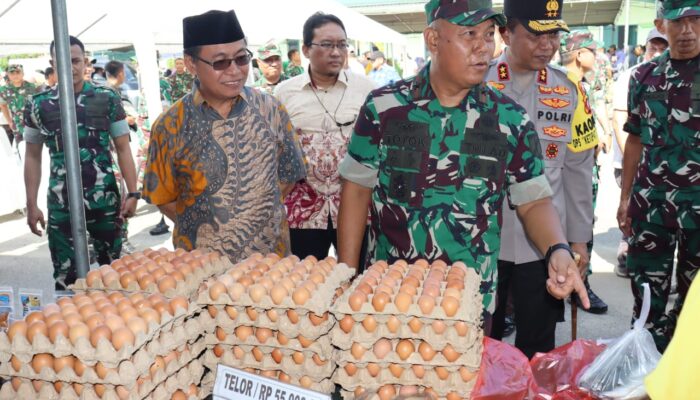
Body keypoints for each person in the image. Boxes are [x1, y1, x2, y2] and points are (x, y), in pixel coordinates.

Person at [338, 0, 589, 339]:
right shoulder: (385, 108)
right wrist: (348, 277)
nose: (483, 47)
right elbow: (356, 191)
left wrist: (557, 248)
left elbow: (533, 200)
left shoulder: (509, 119)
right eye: (469, 33)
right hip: (387, 296)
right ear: (433, 39)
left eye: (488, 35)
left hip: (469, 300)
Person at [142, 10, 306, 262]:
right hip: (200, 269)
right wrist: (210, 230)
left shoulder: (271, 110)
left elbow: (289, 175)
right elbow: (163, 198)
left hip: (271, 268)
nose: (235, 70)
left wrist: (253, 214)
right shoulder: (169, 126)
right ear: (190, 64)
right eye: (220, 62)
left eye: (241, 59)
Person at [484, 0, 599, 358]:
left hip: (546, 244)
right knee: (481, 342)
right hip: (485, 238)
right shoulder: (476, 82)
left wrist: (578, 241)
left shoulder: (570, 91)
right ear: (506, 32)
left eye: (553, 35)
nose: (547, 45)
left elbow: (578, 170)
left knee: (538, 345)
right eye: (536, 35)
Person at [616, 0, 700, 353]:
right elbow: (634, 139)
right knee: (646, 299)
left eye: (696, 20)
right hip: (651, 208)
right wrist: (624, 198)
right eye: (679, 22)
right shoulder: (643, 76)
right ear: (661, 25)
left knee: (694, 303)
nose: (688, 31)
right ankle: (642, 373)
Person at [23, 36, 138, 290]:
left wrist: (133, 192)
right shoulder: (38, 105)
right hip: (61, 203)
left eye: (75, 60)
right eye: (63, 61)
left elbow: (123, 148)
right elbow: (32, 156)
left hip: (105, 201)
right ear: (53, 63)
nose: (71, 67)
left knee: (116, 276)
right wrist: (31, 205)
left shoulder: (107, 98)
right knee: (67, 281)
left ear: (85, 62)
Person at [275, 12, 375, 266]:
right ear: (306, 49)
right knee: (306, 285)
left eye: (342, 44)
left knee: (359, 281)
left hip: (355, 208)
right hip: (303, 212)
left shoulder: (366, 90)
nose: (336, 52)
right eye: (327, 45)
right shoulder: (285, 93)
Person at [558, 30, 609, 314]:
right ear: (579, 54)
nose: (597, 56)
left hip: (585, 165)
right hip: (575, 172)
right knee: (578, 233)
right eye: (593, 51)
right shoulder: (565, 84)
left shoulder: (580, 83)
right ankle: (580, 285)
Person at [611, 27, 668, 278]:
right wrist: (632, 167)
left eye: (662, 47)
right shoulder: (635, 77)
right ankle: (626, 253)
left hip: (676, 181)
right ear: (644, 49)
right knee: (632, 219)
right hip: (638, 169)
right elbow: (624, 125)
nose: (657, 52)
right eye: (652, 47)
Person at [0, 64, 36, 145]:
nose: (15, 75)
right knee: (20, 148)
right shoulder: (3, 90)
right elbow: (3, 105)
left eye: (18, 72)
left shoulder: (32, 87)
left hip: (32, 124)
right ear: (8, 75)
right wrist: (9, 121)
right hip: (17, 126)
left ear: (23, 74)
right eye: (12, 73)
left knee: (34, 149)